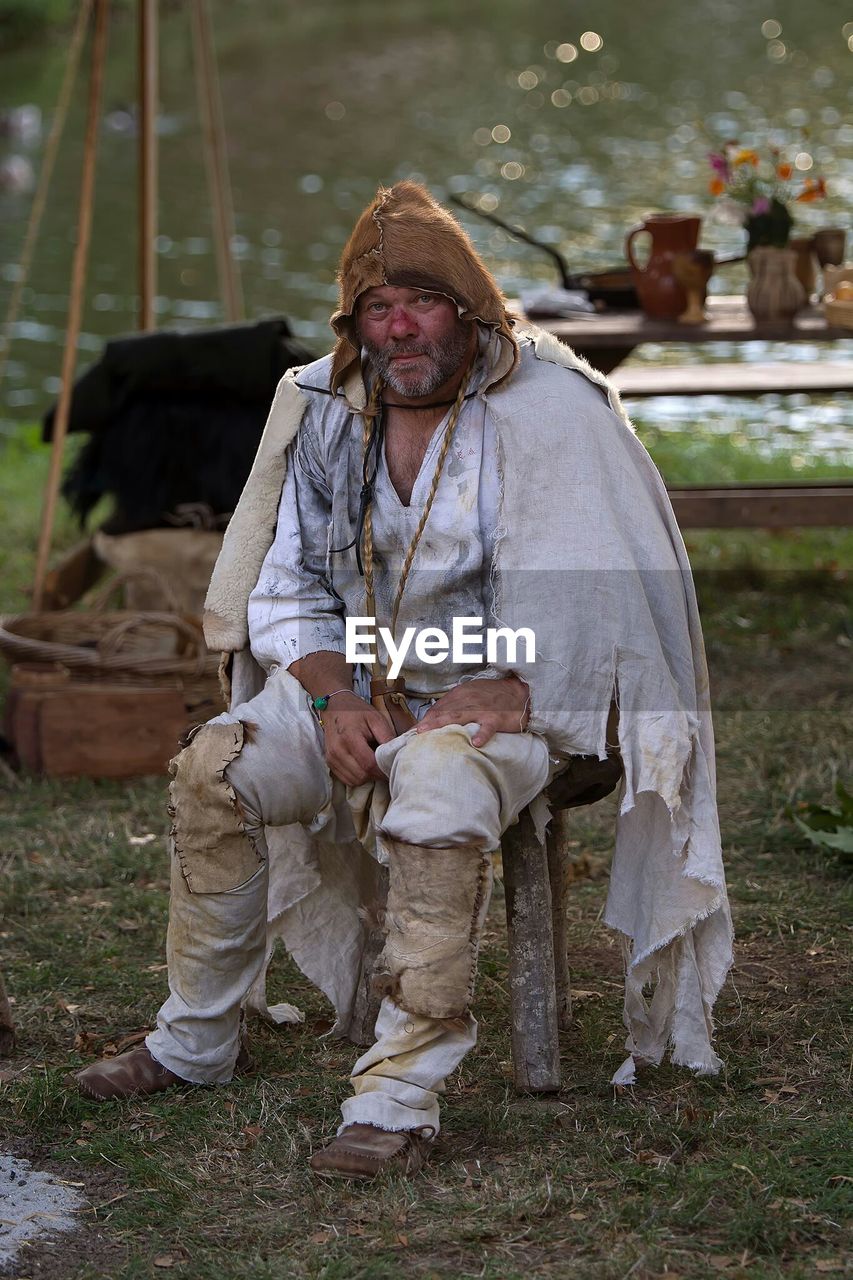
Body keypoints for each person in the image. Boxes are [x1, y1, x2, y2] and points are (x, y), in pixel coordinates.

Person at [72, 182, 732, 1179]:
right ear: (355, 324)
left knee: (437, 788)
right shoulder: (326, 408)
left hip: (519, 700)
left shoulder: (553, 410)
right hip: (363, 686)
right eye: (378, 308)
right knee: (216, 766)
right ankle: (196, 1039)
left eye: (420, 302)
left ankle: (396, 1096)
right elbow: (286, 582)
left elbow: (599, 597)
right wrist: (333, 692)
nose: (400, 326)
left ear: (469, 311)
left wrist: (516, 684)